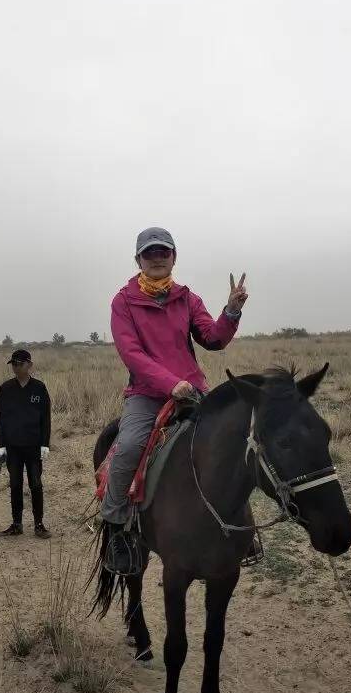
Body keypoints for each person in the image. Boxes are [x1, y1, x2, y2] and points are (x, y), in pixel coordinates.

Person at [102, 227, 248, 573]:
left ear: (173, 257)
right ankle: (118, 530)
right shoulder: (123, 302)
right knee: (127, 450)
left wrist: (230, 312)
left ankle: (242, 529)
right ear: (138, 259)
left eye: (162, 253)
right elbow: (132, 354)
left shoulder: (186, 298)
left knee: (235, 444)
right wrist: (170, 384)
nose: (156, 259)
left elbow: (212, 338)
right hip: (147, 395)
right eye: (149, 254)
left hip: (193, 390)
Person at [0, 348, 52, 538]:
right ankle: (16, 524)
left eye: (19, 363)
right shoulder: (6, 389)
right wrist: (0, 445)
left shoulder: (39, 388)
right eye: (13, 364)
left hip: (34, 447)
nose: (16, 367)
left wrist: (45, 444)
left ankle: (39, 525)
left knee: (35, 484)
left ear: (29, 365)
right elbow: (0, 419)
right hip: (13, 447)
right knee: (15, 484)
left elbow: (46, 419)